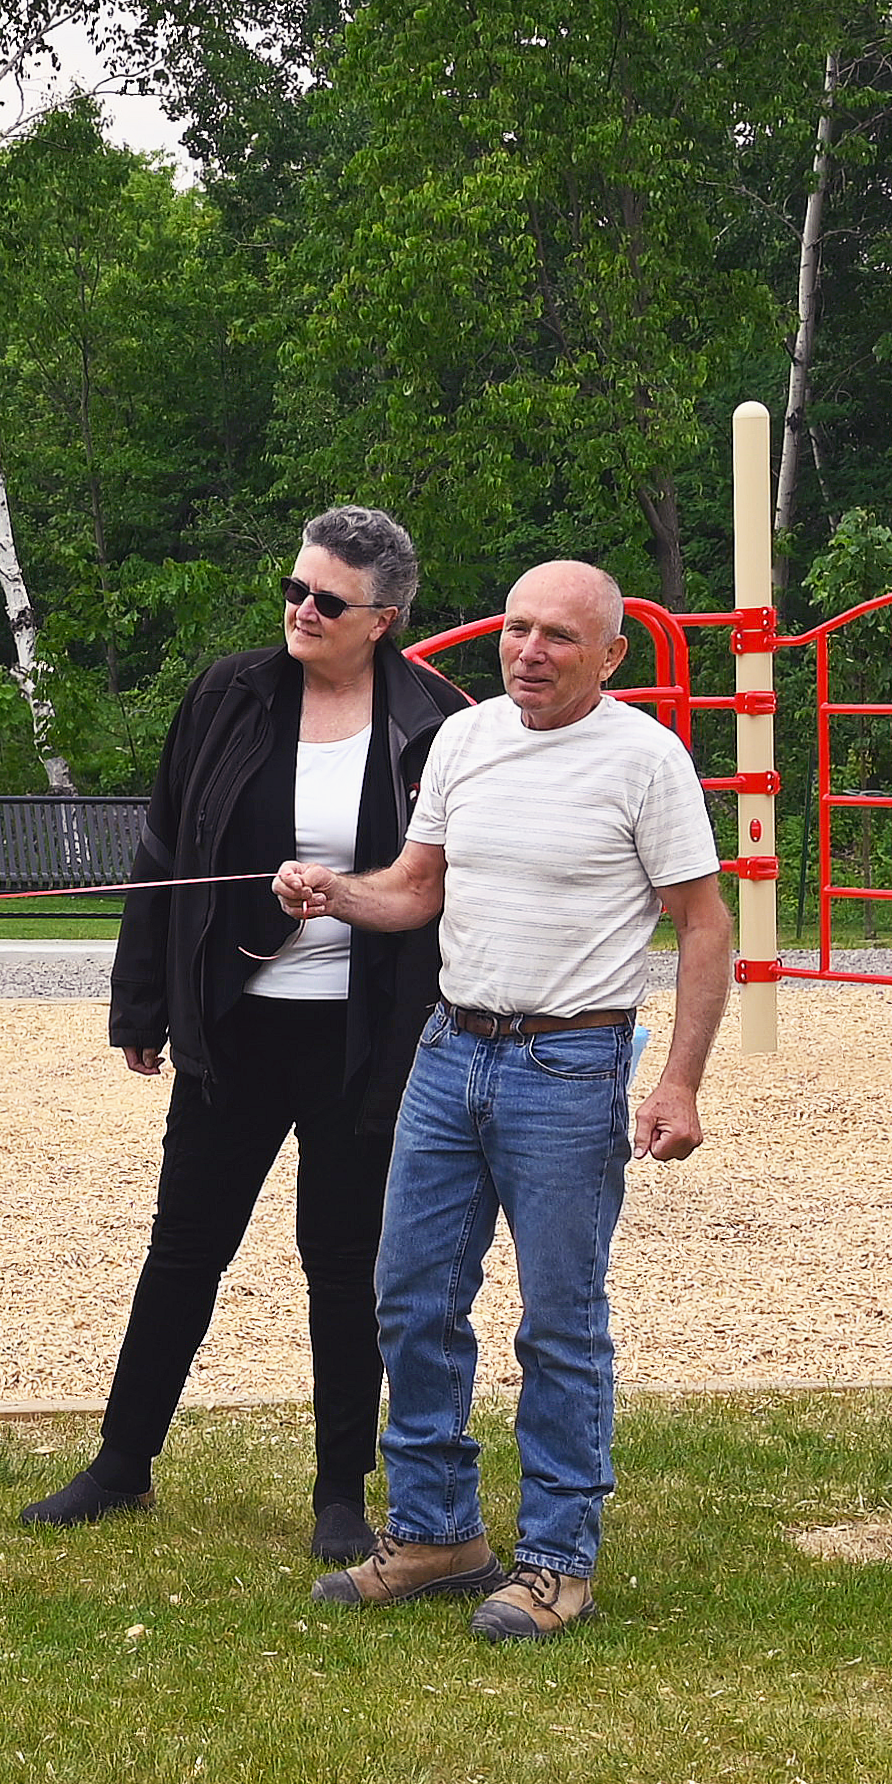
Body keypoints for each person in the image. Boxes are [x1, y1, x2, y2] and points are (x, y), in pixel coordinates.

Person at [275, 559, 731, 1641]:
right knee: (410, 1298)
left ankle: (556, 1559)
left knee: (560, 1322)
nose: (529, 650)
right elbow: (416, 887)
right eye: (518, 628)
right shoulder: (467, 742)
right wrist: (332, 891)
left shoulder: (645, 759)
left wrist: (678, 1080)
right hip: (447, 1052)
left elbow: (703, 924)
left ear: (610, 655)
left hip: (570, 1069)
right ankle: (436, 1533)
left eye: (559, 637)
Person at [25, 508, 461, 1566]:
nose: (300, 612)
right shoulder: (229, 693)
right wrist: (141, 1004)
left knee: (343, 1261)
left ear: (383, 619)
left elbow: (450, 884)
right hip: (233, 1023)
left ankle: (338, 1494)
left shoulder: (439, 720)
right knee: (185, 1244)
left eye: (327, 601)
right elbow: (163, 849)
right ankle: (121, 1462)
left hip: (366, 1038)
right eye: (295, 590)